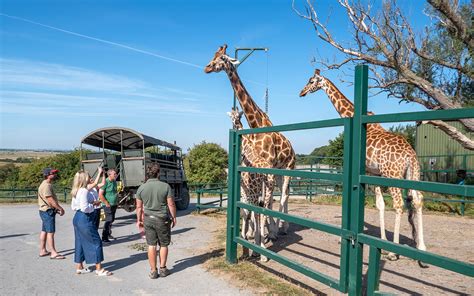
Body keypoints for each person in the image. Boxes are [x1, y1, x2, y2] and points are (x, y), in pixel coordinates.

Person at [136, 163, 177, 279]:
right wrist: (174, 217)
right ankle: (163, 269)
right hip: (162, 219)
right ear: (158, 173)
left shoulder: (141, 188)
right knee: (164, 244)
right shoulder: (165, 186)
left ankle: (153, 271)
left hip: (148, 219)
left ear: (148, 174)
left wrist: (139, 220)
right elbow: (171, 203)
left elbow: (139, 207)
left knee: (151, 245)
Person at [71, 170, 112, 276]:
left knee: (79, 242)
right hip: (85, 218)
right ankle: (99, 269)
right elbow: (85, 208)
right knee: (96, 242)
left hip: (77, 217)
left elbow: (73, 206)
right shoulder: (84, 191)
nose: (90, 177)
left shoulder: (76, 190)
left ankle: (79, 267)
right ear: (85, 178)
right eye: (88, 176)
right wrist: (94, 204)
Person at [38, 167, 66, 259]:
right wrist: (60, 208)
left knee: (44, 231)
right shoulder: (47, 185)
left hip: (44, 210)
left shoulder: (44, 184)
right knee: (51, 232)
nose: (54, 174)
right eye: (52, 173)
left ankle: (42, 250)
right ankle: (53, 253)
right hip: (48, 211)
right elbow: (50, 200)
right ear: (47, 175)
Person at [99, 169, 118, 243]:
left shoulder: (114, 182)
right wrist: (106, 203)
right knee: (108, 220)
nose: (116, 175)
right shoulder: (106, 182)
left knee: (112, 219)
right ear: (109, 175)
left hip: (114, 204)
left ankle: (109, 233)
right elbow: (100, 194)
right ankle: (104, 237)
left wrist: (117, 201)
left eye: (116, 174)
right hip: (107, 205)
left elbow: (115, 192)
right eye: (114, 174)